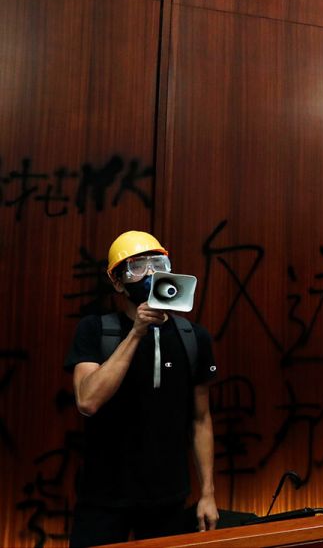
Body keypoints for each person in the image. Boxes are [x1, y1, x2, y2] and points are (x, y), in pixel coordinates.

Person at [64, 231, 219, 547]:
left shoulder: (194, 337)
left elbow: (201, 421)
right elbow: (88, 401)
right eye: (137, 267)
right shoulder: (95, 330)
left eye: (157, 263)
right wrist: (136, 334)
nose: (149, 273)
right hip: (103, 499)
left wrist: (207, 494)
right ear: (118, 282)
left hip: (168, 499)